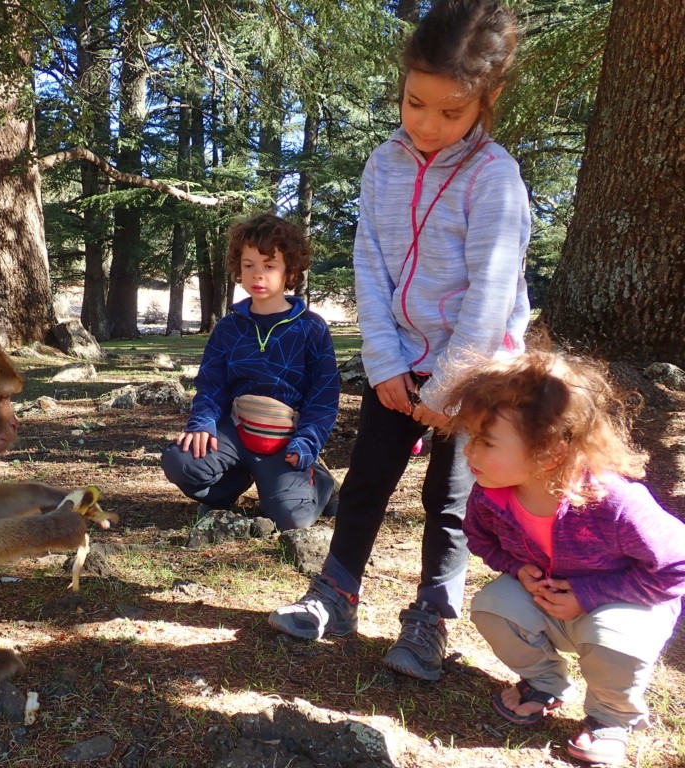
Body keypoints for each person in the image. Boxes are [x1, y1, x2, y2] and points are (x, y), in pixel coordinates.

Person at [269, 0, 531, 683]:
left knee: (449, 502)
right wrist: (385, 363)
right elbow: (371, 267)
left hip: (477, 374)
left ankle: (431, 618)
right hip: (399, 363)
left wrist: (451, 388)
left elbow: (490, 294)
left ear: (488, 97)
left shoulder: (494, 177)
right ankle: (337, 591)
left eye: (452, 112)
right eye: (416, 103)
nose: (429, 125)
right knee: (365, 484)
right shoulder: (383, 164)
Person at [441, 345, 685, 766]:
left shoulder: (614, 503)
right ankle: (545, 682)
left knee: (614, 643)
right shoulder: (490, 496)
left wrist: (590, 595)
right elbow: (481, 540)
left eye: (485, 442)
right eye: (470, 438)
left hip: (622, 606)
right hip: (548, 601)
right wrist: (519, 570)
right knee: (493, 607)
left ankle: (610, 717)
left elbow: (676, 566)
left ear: (550, 450)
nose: (469, 453)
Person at [161, 212, 339, 532]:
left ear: (290, 271)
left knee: (290, 520)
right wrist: (202, 423)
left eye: (269, 266)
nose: (258, 275)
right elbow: (212, 386)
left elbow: (323, 398)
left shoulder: (311, 328)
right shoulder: (228, 328)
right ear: (238, 269)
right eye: (248, 265)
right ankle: (237, 480)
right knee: (179, 462)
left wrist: (307, 443)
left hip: (286, 443)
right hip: (236, 433)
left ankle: (319, 483)